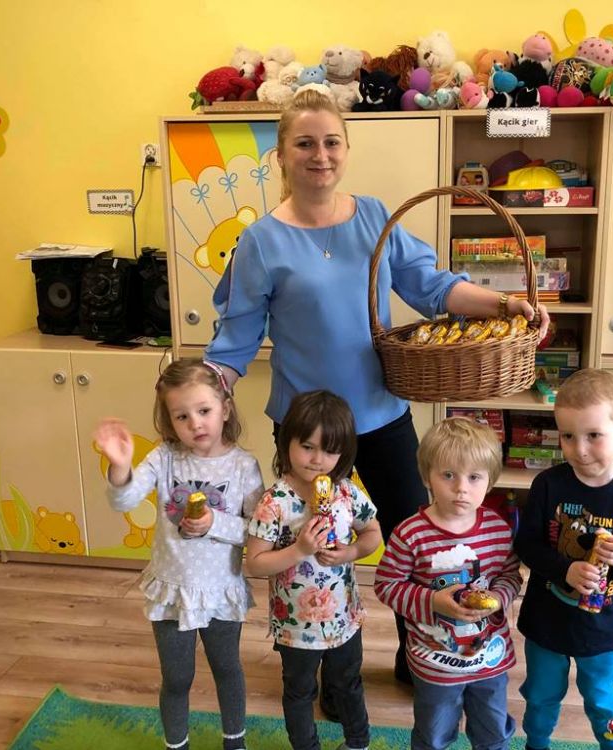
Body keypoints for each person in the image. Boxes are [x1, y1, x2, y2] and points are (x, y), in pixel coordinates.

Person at [205, 88, 549, 683]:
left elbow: (433, 286)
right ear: (281, 156)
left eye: (331, 142)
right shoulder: (261, 240)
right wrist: (204, 395)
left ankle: (423, 658)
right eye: (304, 143)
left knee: (419, 543)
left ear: (345, 149)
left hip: (381, 414)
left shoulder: (373, 218)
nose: (320, 155)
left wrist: (505, 303)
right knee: (311, 551)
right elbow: (236, 335)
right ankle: (324, 675)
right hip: (307, 433)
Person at [93, 359, 264, 750]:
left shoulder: (243, 466)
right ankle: (177, 745)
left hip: (221, 591)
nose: (195, 424)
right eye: (182, 416)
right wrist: (120, 467)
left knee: (227, 670)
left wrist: (214, 523)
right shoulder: (163, 457)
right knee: (176, 678)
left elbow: (258, 531)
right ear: (170, 421)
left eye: (204, 411)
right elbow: (124, 500)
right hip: (171, 591)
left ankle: (235, 742)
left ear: (225, 408)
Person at [513, 369, 613, 750]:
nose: (579, 449)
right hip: (547, 622)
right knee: (540, 696)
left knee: (603, 700)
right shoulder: (548, 485)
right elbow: (526, 545)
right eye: (568, 436)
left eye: (593, 435)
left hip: (602, 628)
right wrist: (565, 568)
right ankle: (537, 744)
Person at [374, 417, 523, 750]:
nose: (461, 488)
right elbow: (387, 585)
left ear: (490, 481)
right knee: (433, 734)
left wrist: (498, 597)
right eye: (448, 475)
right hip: (434, 661)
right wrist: (432, 601)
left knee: (493, 732)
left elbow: (510, 574)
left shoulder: (498, 529)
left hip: (490, 658)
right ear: (426, 476)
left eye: (474, 477)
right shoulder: (410, 533)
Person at [245, 390, 382, 750]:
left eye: (329, 450)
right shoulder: (274, 502)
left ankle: (358, 741)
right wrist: (299, 550)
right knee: (299, 690)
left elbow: (373, 534)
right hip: (295, 624)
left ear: (343, 453)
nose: (317, 460)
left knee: (347, 683)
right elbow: (255, 562)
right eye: (307, 446)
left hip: (343, 617)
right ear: (286, 442)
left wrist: (351, 551)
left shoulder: (347, 493)